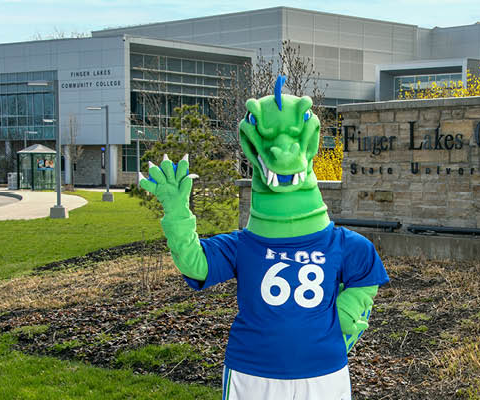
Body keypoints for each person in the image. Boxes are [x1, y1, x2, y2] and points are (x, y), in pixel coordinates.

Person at [140, 76, 389, 400]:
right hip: (252, 374)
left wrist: (347, 315)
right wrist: (176, 212)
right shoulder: (245, 246)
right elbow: (196, 265)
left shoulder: (341, 246)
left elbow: (366, 269)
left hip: (323, 374)